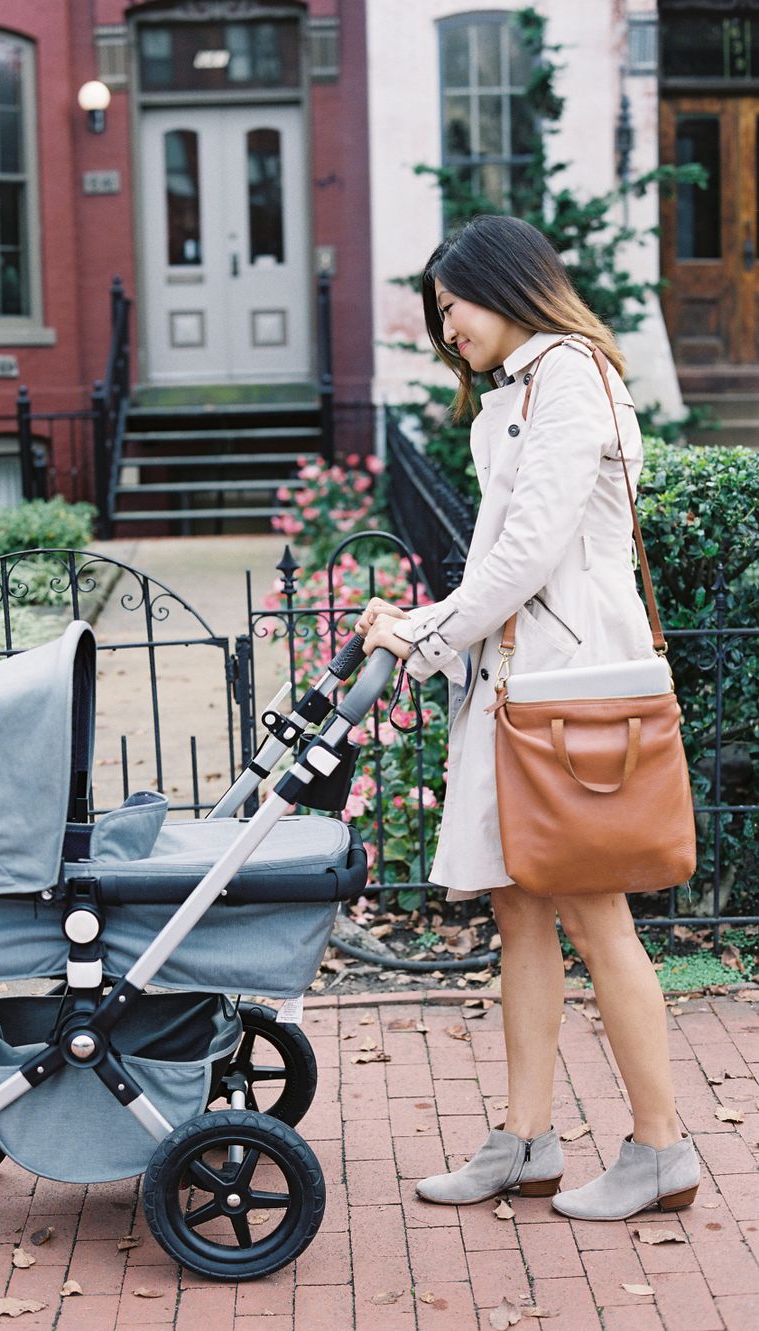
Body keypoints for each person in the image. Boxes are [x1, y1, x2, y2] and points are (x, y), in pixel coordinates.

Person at [356, 215, 699, 1221]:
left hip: (567, 691)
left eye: (450, 306)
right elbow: (498, 562)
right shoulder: (519, 393)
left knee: (593, 911)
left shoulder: (569, 379)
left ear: (502, 287)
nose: (444, 328)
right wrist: (427, 621)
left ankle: (658, 1145)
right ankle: (524, 1138)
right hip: (522, 688)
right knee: (518, 911)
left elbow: (528, 554)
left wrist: (421, 633)